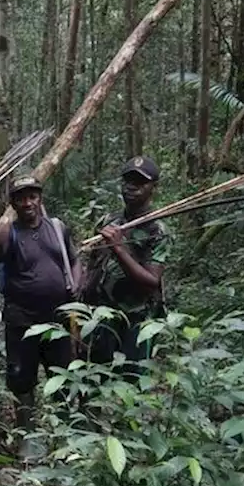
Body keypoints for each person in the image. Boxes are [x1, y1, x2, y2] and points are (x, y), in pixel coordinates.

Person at [0, 173, 79, 459]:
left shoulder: (58, 227)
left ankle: (64, 437)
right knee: (22, 379)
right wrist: (0, 234)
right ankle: (29, 438)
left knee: (63, 377)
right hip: (22, 320)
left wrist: (76, 286)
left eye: (32, 196)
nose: (28, 202)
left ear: (40, 198)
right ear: (12, 203)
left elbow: (75, 261)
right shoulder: (9, 232)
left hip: (58, 319)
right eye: (21, 197)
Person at [79, 156, 168, 367]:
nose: (131, 187)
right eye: (128, 181)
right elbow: (93, 264)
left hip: (136, 319)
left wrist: (118, 248)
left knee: (130, 381)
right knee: (95, 377)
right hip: (101, 315)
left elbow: (151, 282)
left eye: (140, 182)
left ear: (153, 187)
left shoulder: (157, 230)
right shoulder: (109, 221)